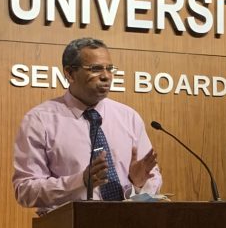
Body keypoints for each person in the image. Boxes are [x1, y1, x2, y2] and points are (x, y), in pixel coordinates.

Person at [13, 37, 161, 214]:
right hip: (71, 226)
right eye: (95, 69)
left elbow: (153, 177)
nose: (106, 76)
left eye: (109, 69)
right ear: (70, 73)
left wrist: (137, 183)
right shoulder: (40, 120)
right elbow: (25, 190)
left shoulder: (129, 117)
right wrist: (80, 182)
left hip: (128, 222)